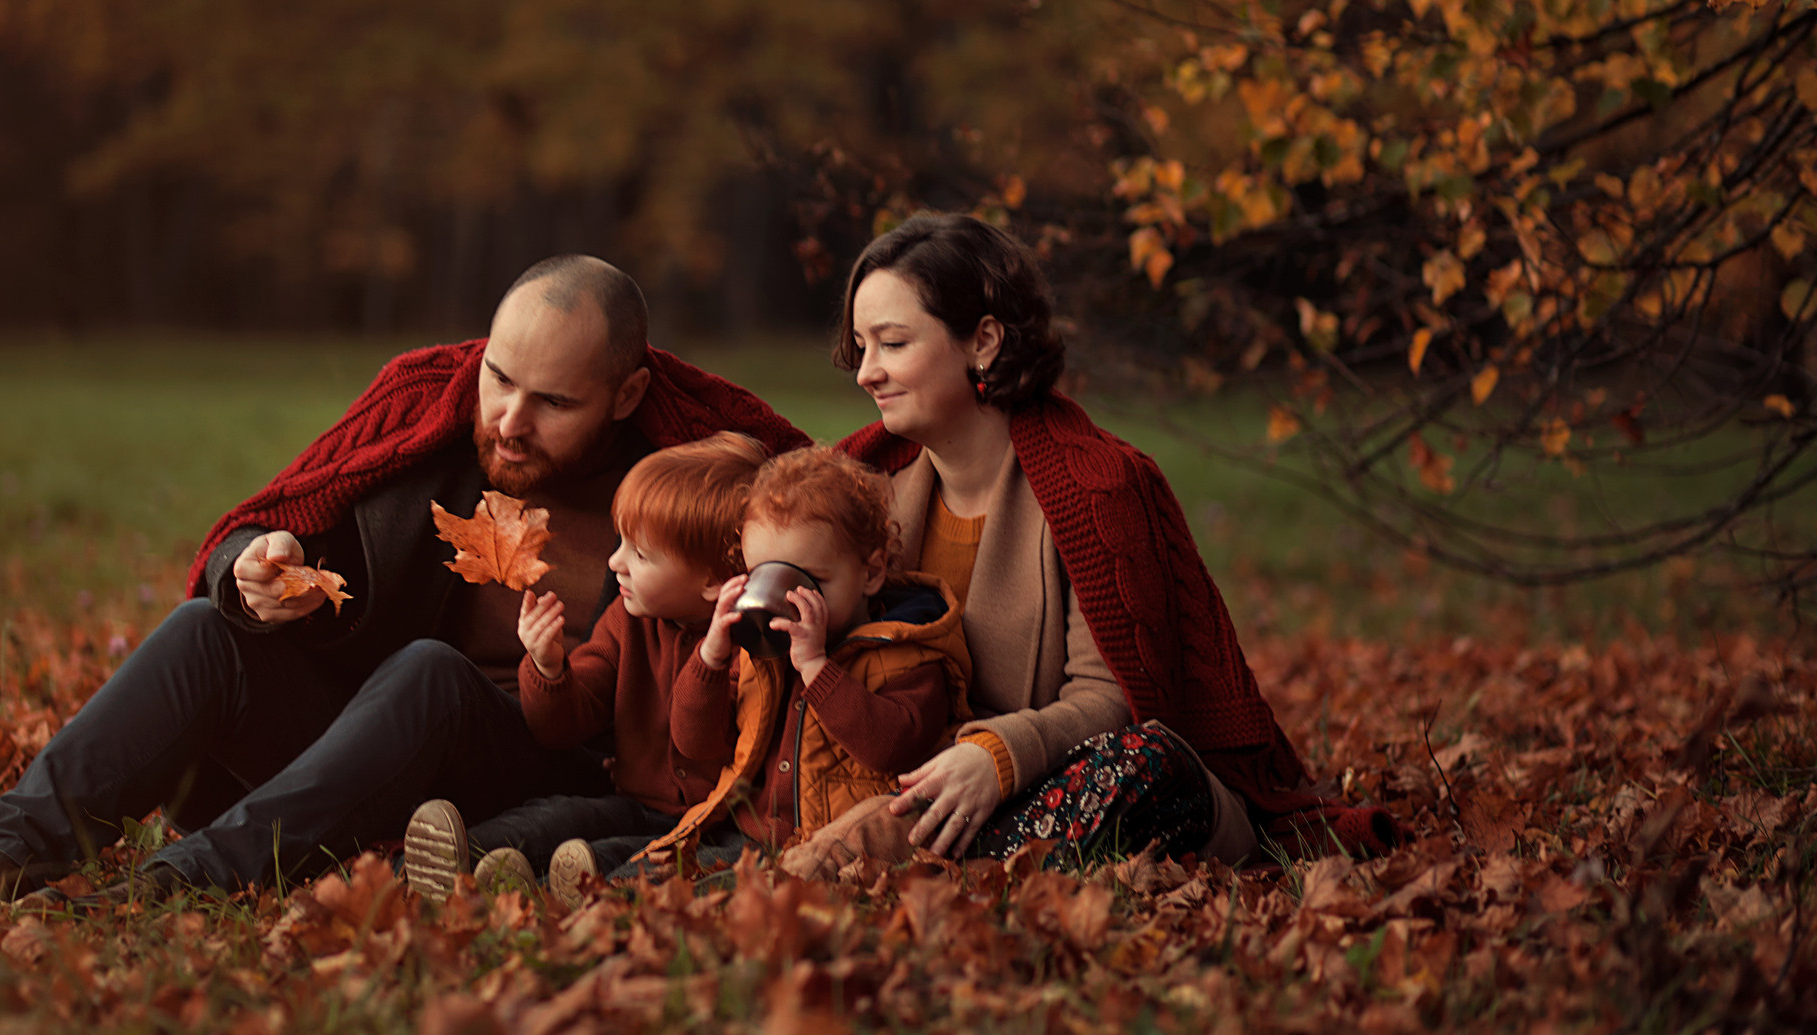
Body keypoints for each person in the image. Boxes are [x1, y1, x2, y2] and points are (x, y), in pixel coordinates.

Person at [0, 256, 809, 902]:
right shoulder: (426, 412)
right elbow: (281, 511)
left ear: (625, 397)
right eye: (499, 379)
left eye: (553, 403)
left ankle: (193, 877)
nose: (509, 419)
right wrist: (246, 568)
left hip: (545, 771)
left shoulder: (682, 480)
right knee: (204, 631)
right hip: (365, 743)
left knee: (431, 671)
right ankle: (10, 852)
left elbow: (829, 503)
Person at [781, 211, 1398, 882]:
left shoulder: (1097, 490)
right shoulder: (862, 494)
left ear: (983, 340)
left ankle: (900, 850)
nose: (866, 372)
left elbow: (1116, 700)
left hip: (1055, 777)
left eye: (892, 343)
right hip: (915, 780)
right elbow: (733, 474)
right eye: (861, 346)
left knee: (1147, 765)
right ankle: (908, 843)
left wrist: (1000, 755)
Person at [399, 431, 765, 904]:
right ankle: (446, 862)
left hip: (713, 827)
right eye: (621, 544)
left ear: (714, 581)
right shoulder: (629, 622)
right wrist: (550, 669)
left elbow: (699, 745)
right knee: (554, 818)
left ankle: (550, 891)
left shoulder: (752, 649)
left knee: (620, 857)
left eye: (640, 553)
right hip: (631, 804)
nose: (615, 562)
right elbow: (566, 724)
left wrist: (710, 659)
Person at [644, 445, 970, 867]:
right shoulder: (761, 652)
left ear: (871, 573)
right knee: (651, 868)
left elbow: (893, 748)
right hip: (749, 834)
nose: (786, 600)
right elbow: (694, 743)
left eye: (809, 580)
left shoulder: (910, 653)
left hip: (838, 853)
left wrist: (817, 667)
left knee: (724, 892)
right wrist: (711, 656)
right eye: (764, 576)